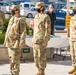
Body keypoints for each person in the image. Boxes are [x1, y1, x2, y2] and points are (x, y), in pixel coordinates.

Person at [4, 5, 26, 75]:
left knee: (15, 60)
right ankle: (12, 72)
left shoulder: (20, 20)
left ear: (17, 10)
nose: (13, 11)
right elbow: (8, 31)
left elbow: (23, 32)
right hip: (10, 43)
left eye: (14, 10)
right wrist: (5, 41)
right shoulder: (12, 19)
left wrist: (21, 43)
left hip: (16, 44)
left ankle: (15, 73)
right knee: (11, 59)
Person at [33, 2, 51, 75]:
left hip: (42, 40)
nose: (36, 9)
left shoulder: (46, 17)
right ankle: (38, 70)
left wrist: (45, 40)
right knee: (36, 57)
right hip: (35, 40)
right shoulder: (36, 16)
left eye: (37, 7)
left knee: (42, 57)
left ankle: (42, 72)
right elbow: (35, 29)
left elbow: (48, 29)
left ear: (41, 8)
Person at [68, 5, 76, 75]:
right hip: (72, 38)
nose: (73, 10)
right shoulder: (72, 18)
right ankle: (74, 67)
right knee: (72, 54)